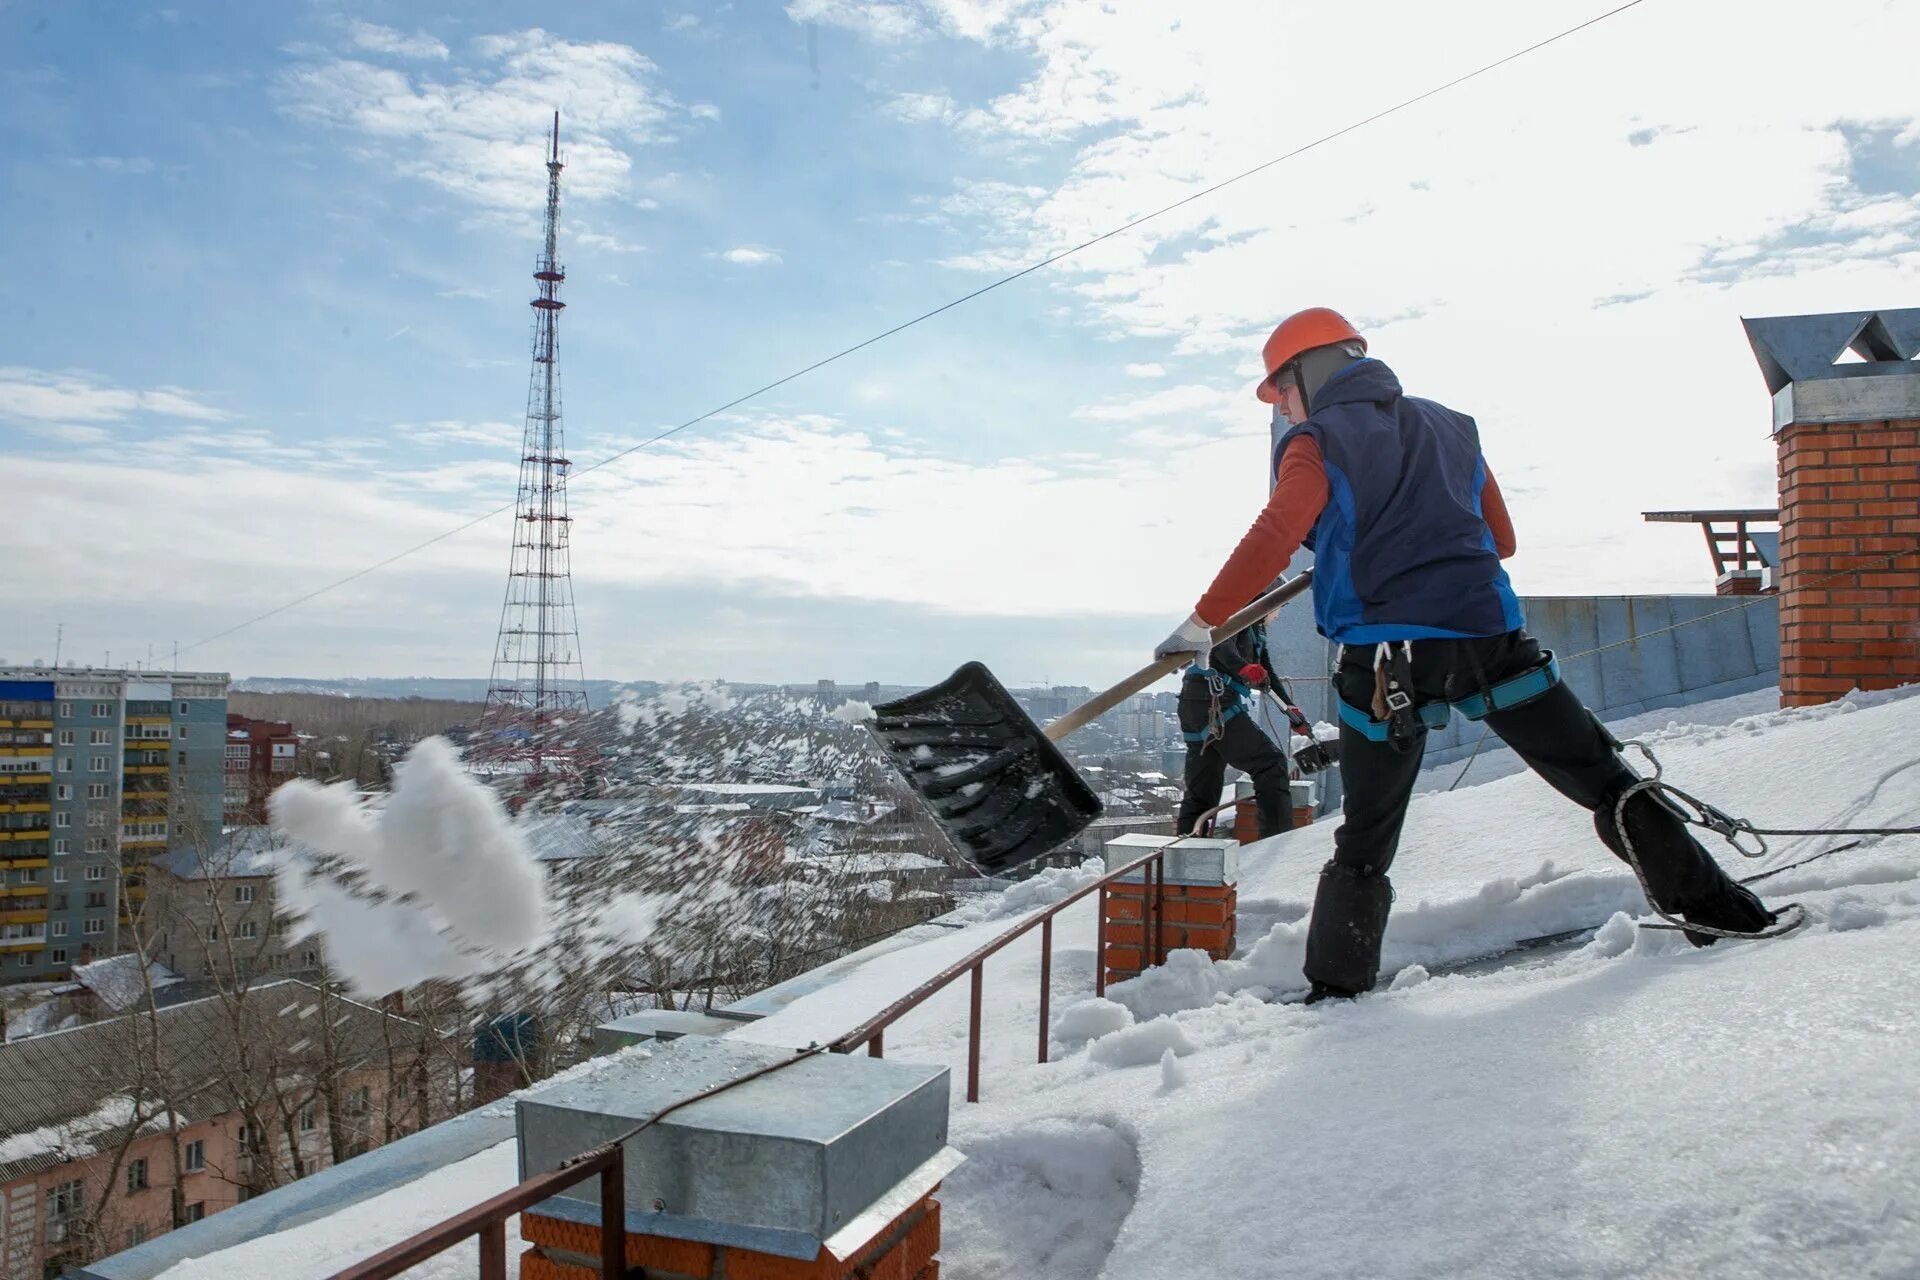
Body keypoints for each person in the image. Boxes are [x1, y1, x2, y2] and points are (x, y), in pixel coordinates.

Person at [1154, 307, 1775, 1003]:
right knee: (1604, 780)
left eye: (1282, 389)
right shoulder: (1453, 426)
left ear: (1306, 372)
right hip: (1490, 643)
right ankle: (1727, 917)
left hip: (1387, 663)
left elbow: (1276, 532)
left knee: (1366, 832)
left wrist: (1202, 623)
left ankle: (1336, 993)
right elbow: (1501, 539)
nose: (1285, 405)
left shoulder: (1315, 439)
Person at [1174, 615, 1295, 840]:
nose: (1277, 614)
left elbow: (1267, 673)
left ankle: (1187, 856)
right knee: (1270, 763)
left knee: (1203, 790)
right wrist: (1243, 668)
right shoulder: (1237, 616)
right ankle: (1278, 841)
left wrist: (1291, 710)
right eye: (1278, 607)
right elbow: (1219, 642)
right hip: (1213, 704)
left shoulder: (1255, 631)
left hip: (1199, 704)